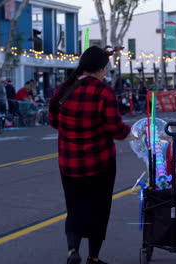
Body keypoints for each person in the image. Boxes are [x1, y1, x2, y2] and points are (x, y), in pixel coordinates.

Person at [48, 46, 130, 264]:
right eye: (105, 68)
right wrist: (133, 134)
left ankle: (72, 251)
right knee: (99, 209)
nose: (106, 73)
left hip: (70, 163)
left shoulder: (62, 91)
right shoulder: (104, 92)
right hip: (100, 163)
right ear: (101, 69)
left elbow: (54, 122)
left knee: (74, 208)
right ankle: (93, 258)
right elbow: (116, 128)